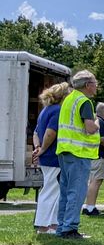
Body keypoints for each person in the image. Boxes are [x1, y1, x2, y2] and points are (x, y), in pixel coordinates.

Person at [55, 70, 100, 239]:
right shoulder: (85, 102)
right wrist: (97, 123)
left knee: (66, 192)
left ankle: (62, 227)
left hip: (65, 151)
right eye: (95, 83)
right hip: (79, 152)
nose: (96, 87)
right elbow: (89, 128)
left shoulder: (69, 99)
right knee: (77, 191)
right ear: (88, 85)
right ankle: (70, 228)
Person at [31, 82, 70, 234]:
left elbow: (36, 133)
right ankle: (43, 225)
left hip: (46, 157)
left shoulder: (45, 110)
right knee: (51, 190)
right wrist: (44, 149)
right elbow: (50, 132)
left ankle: (52, 224)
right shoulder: (59, 110)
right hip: (53, 156)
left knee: (54, 190)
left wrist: (37, 148)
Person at [82, 102, 104, 217]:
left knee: (95, 180)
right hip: (99, 155)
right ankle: (89, 207)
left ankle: (90, 206)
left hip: (98, 155)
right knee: (96, 180)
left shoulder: (103, 122)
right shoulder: (100, 122)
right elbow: (101, 138)